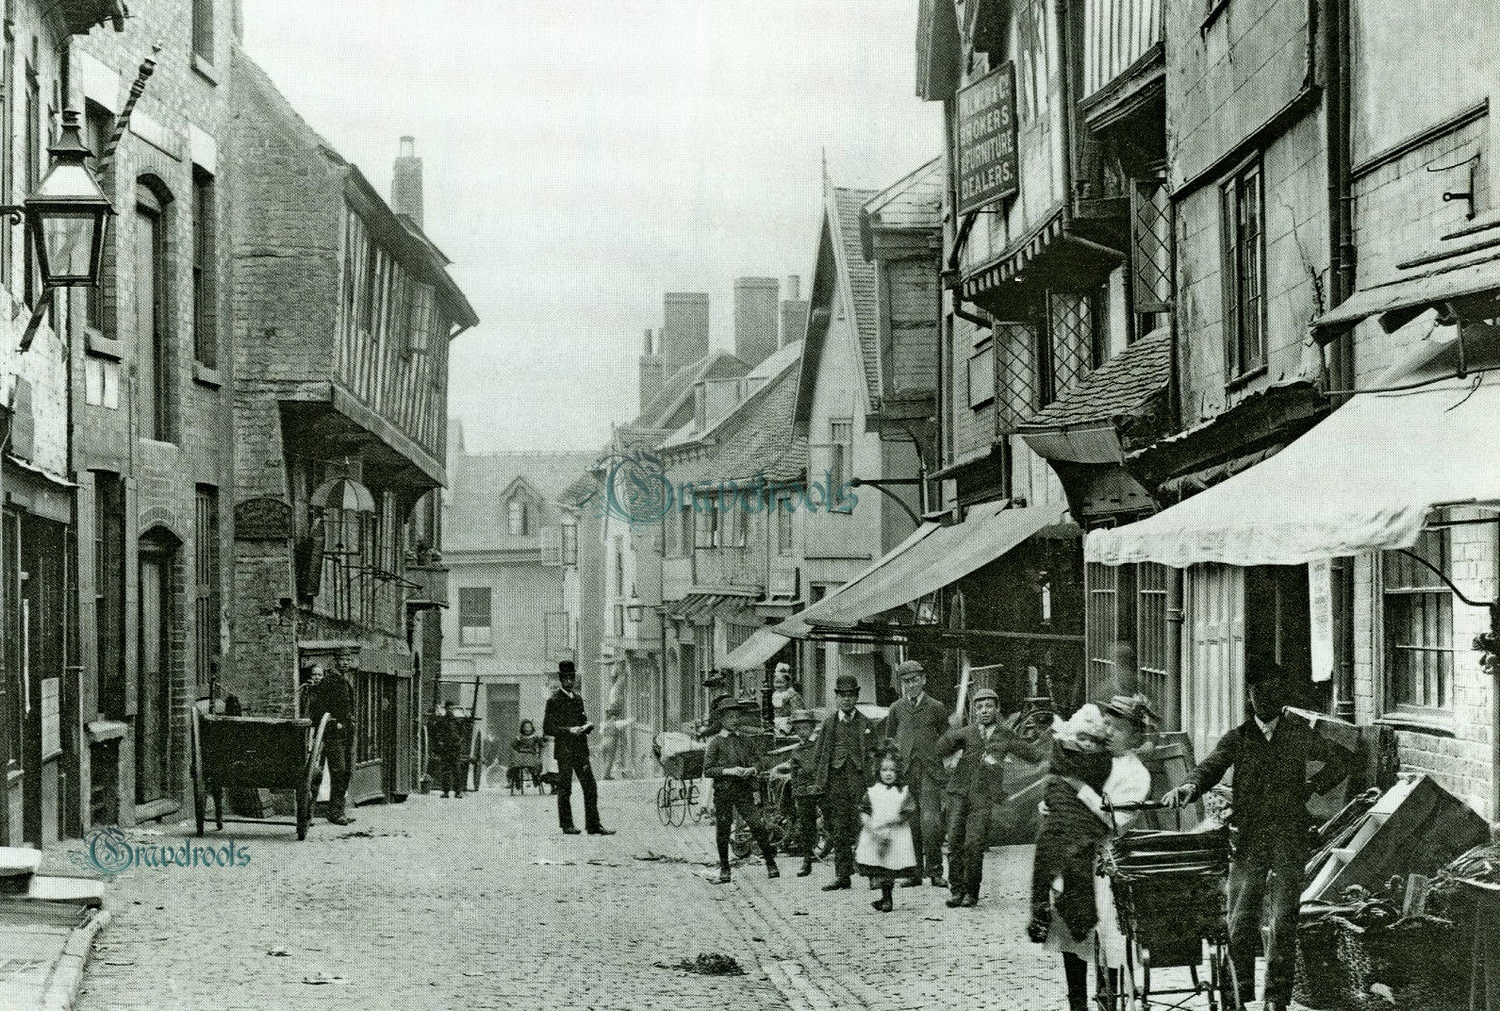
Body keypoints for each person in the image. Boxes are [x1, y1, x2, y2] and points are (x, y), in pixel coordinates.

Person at [1162, 664, 1353, 1011]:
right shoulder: (1239, 737)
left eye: (1271, 693)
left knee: (1282, 921)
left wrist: (1311, 787)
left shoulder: (1298, 733)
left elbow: (1343, 759)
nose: (1263, 700)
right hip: (1248, 839)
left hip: (1288, 838)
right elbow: (1211, 766)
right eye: (1257, 693)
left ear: (1281, 698)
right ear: (1249, 696)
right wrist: (1189, 785)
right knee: (1240, 919)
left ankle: (1275, 1001)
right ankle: (1236, 995)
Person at [1033, 696, 1155, 1011]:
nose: (1109, 732)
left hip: (1110, 861)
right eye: (1108, 724)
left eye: (1119, 729)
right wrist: (1052, 804)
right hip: (1075, 857)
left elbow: (1116, 821)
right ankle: (1076, 1004)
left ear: (1135, 736)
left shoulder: (1136, 774)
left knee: (1109, 936)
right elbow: (1059, 786)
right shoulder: (1090, 754)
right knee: (1073, 933)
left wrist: (1076, 789)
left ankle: (1108, 1000)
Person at [937, 687, 1045, 908]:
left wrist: (1058, 741)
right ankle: (956, 891)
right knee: (955, 842)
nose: (984, 711)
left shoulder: (1006, 735)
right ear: (974, 711)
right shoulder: (966, 733)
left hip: (982, 798)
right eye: (979, 707)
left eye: (988, 706)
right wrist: (951, 730)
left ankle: (971, 893)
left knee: (974, 845)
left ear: (997, 709)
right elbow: (940, 749)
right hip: (957, 794)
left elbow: (1033, 756)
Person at [879, 659, 952, 888]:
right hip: (906, 772)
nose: (911, 685)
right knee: (911, 824)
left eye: (915, 680)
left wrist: (943, 759)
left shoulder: (936, 707)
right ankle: (914, 873)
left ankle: (936, 871)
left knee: (931, 823)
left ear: (923, 679)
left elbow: (947, 737)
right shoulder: (896, 708)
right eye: (906, 682)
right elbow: (889, 740)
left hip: (929, 771)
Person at [810, 675, 878, 891]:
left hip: (860, 781)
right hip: (836, 782)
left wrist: (874, 782)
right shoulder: (829, 723)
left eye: (850, 695)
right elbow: (819, 755)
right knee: (839, 829)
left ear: (857, 696)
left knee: (865, 827)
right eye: (842, 695)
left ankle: (872, 876)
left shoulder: (866, 723)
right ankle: (842, 876)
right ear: (836, 697)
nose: (846, 700)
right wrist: (819, 783)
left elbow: (875, 755)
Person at [703, 699, 779, 883]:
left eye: (737, 716)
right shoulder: (715, 742)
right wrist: (729, 771)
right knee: (723, 828)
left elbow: (760, 761)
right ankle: (724, 868)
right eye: (730, 717)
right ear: (721, 719)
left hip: (744, 791)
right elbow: (708, 769)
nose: (734, 720)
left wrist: (752, 770)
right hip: (723, 792)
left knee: (757, 825)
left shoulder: (745, 740)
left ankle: (770, 863)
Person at [541, 660, 614, 836]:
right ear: (560, 679)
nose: (569, 681)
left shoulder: (579, 699)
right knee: (565, 788)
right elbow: (548, 728)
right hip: (565, 751)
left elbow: (582, 721)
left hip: (580, 750)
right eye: (565, 678)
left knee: (590, 786)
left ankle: (593, 825)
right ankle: (567, 825)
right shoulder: (553, 701)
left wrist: (587, 726)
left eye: (572, 677)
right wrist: (569, 730)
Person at [854, 753, 918, 913]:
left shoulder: (903, 792)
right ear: (878, 771)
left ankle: (887, 899)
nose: (888, 773)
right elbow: (864, 811)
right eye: (884, 770)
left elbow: (908, 811)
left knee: (890, 865)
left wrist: (893, 821)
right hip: (876, 833)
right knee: (880, 865)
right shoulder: (872, 791)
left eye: (892, 770)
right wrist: (872, 828)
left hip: (896, 834)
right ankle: (885, 898)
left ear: (898, 772)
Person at [771, 709, 824, 876]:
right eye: (799, 729)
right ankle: (807, 861)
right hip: (802, 793)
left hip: (819, 789)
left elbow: (816, 767)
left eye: (806, 728)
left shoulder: (819, 745)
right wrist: (795, 791)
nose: (802, 732)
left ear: (812, 728)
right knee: (805, 827)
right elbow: (794, 774)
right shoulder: (797, 750)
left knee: (831, 823)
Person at [306, 656, 356, 825]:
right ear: (335, 661)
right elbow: (320, 708)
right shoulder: (329, 681)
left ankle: (337, 811)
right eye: (342, 659)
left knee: (345, 773)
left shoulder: (345, 681)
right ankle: (309, 813)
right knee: (329, 772)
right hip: (331, 734)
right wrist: (334, 722)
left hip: (346, 735)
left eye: (348, 659)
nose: (345, 663)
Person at [430, 701, 464, 798]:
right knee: (446, 770)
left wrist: (459, 743)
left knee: (456, 770)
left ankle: (458, 792)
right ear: (445, 709)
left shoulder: (457, 722)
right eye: (448, 709)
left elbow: (462, 734)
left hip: (455, 749)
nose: (450, 711)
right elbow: (436, 734)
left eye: (451, 709)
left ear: (453, 709)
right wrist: (440, 742)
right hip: (446, 749)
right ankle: (446, 791)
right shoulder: (441, 722)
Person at [509, 719, 544, 792]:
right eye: (525, 727)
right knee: (515, 762)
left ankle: (535, 776)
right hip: (521, 754)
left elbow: (542, 744)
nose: (527, 729)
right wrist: (517, 741)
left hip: (531, 754)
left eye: (529, 727)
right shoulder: (520, 737)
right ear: (522, 728)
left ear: (532, 728)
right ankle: (517, 779)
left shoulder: (534, 737)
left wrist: (541, 740)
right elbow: (513, 746)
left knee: (532, 763)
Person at [769, 663, 803, 731]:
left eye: (781, 682)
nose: (778, 685)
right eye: (776, 682)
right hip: (776, 724)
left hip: (789, 724)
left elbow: (797, 712)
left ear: (787, 683)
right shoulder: (775, 694)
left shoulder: (792, 695)